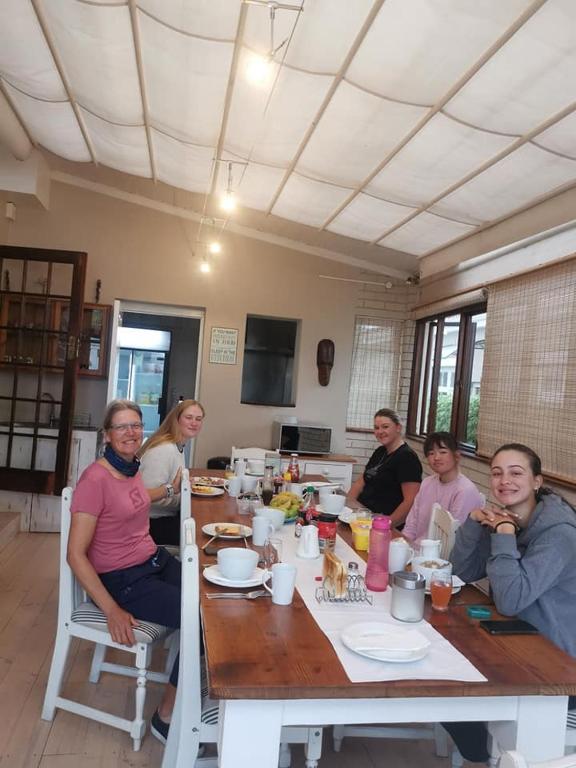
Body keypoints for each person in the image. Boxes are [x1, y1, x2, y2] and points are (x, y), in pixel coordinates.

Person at [446, 443, 576, 762]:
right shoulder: (513, 519)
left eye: (516, 473)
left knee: (450, 692)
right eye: (497, 473)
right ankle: (484, 752)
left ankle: (490, 753)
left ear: (537, 481)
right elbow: (461, 571)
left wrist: (503, 534)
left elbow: (510, 599)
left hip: (559, 672)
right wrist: (473, 522)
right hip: (517, 642)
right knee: (444, 679)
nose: (505, 480)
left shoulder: (559, 535)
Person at [68, 399, 181, 745]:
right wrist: (111, 609)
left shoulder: (132, 469)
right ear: (107, 434)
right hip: (124, 580)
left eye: (136, 425)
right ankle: (167, 715)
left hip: (153, 561)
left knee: (212, 600)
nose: (130, 432)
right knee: (201, 620)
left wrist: (171, 489)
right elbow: (75, 555)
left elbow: (138, 499)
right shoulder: (95, 479)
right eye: (121, 426)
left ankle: (197, 690)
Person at [139, 399, 205, 545]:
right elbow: (149, 497)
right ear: (177, 420)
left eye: (198, 419)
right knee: (201, 537)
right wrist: (185, 498)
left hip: (165, 518)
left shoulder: (177, 446)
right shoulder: (164, 449)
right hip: (152, 524)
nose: (194, 423)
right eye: (188, 417)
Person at [402, 431, 484, 546]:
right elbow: (412, 523)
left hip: (442, 554)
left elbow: (453, 538)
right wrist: (403, 544)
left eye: (443, 452)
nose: (436, 457)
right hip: (416, 549)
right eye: (431, 453)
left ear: (457, 456)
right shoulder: (427, 483)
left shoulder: (465, 490)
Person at [348, 408, 422, 527]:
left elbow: (410, 501)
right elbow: (360, 483)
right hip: (364, 516)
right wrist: (348, 506)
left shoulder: (407, 458)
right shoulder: (380, 451)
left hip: (384, 524)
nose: (380, 431)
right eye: (376, 428)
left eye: (385, 427)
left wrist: (384, 525)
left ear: (398, 428)